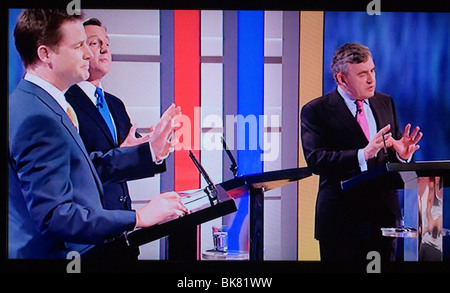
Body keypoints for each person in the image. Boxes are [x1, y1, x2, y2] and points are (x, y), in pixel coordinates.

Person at [9, 9, 187, 259]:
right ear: (45, 53)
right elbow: (55, 216)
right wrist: (140, 217)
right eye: (79, 45)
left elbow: (80, 168)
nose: (88, 54)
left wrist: (148, 152)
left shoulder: (38, 104)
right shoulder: (37, 117)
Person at [300, 42, 423, 262]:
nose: (371, 79)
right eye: (362, 74)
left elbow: (387, 160)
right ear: (341, 79)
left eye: (372, 70)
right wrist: (362, 154)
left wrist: (402, 155)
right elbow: (316, 160)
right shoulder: (316, 111)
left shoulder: (385, 102)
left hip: (383, 219)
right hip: (341, 224)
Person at [65, 17, 179, 211]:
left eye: (107, 43)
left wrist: (154, 150)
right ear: (79, 51)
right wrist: (141, 152)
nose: (105, 49)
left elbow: (128, 156)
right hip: (88, 222)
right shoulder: (65, 102)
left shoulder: (115, 104)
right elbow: (79, 168)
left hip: (123, 220)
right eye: (95, 43)